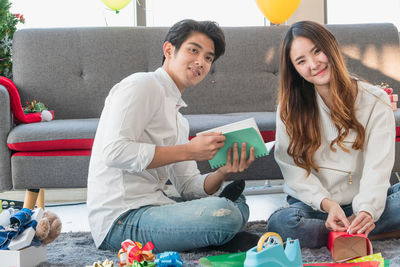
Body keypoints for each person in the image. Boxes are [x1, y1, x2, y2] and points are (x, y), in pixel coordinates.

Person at [87, 19, 259, 253]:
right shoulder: (142, 85)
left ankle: (212, 233)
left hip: (155, 205)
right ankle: (216, 233)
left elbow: (189, 187)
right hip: (121, 220)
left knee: (237, 202)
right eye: (193, 50)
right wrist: (189, 150)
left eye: (208, 58)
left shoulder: (179, 120)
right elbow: (113, 152)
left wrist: (223, 172)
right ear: (169, 50)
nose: (201, 62)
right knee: (225, 214)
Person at [267, 20, 400, 248]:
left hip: (367, 202)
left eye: (317, 51)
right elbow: (293, 169)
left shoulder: (376, 100)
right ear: (295, 70)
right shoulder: (289, 109)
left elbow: (377, 167)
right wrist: (328, 205)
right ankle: (358, 233)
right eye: (301, 61)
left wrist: (367, 210)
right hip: (316, 209)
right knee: (281, 223)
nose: (313, 64)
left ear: (331, 47)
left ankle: (354, 230)